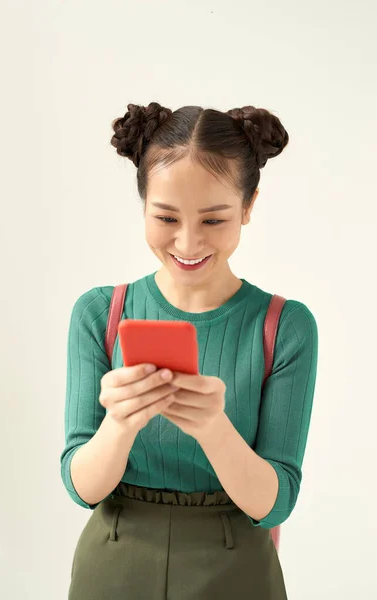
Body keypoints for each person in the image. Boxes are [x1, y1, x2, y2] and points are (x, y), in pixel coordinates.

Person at [60, 102, 319, 599]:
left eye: (214, 220)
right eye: (166, 216)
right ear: (143, 206)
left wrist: (212, 427)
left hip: (237, 568)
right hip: (113, 561)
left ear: (248, 207)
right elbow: (81, 488)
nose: (187, 240)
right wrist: (120, 423)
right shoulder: (100, 314)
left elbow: (276, 502)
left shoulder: (285, 327)